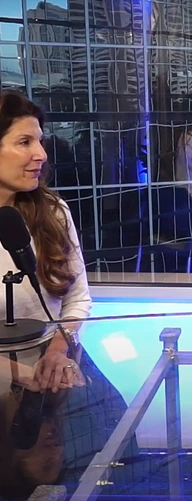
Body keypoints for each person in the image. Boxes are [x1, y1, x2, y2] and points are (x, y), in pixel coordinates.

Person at [0, 90, 91, 392]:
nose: (41, 154)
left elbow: (78, 298)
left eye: (40, 141)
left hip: (57, 363)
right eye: (25, 142)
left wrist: (57, 352)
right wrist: (23, 375)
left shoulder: (54, 211)